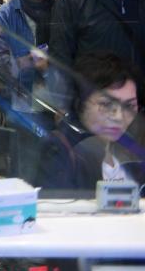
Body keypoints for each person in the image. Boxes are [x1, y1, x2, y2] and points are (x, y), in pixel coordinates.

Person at [0, 0, 65, 179]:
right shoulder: (6, 15)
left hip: (62, 102)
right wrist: (27, 62)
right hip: (25, 103)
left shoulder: (63, 8)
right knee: (26, 172)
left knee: (60, 172)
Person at [37, 54, 145, 194]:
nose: (119, 117)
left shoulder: (133, 149)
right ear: (81, 104)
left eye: (129, 106)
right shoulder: (61, 150)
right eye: (106, 104)